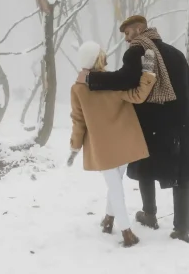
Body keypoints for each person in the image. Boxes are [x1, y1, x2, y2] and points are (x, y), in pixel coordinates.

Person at [76, 16, 189, 243]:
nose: (127, 40)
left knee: (145, 168)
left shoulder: (137, 51)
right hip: (179, 123)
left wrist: (91, 78)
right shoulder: (175, 53)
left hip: (151, 123)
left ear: (139, 30)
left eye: (128, 34)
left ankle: (149, 214)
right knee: (180, 176)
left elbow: (124, 80)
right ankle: (182, 228)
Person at [67, 40, 157, 248]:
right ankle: (126, 232)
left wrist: (74, 146)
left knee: (114, 185)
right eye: (102, 54)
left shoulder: (78, 88)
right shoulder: (111, 81)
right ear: (98, 58)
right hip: (124, 140)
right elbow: (138, 95)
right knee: (115, 186)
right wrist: (148, 73)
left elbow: (78, 120)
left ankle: (109, 220)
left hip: (102, 145)